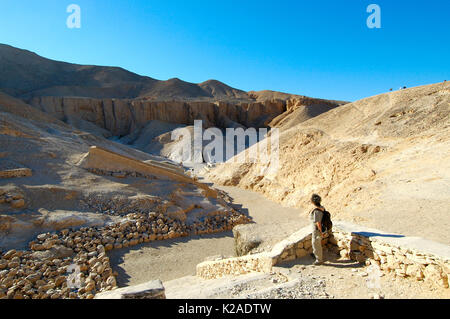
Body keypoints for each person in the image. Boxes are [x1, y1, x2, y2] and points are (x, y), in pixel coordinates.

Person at [310, 194, 326, 265]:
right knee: (316, 243)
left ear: (313, 202)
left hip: (317, 230)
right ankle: (316, 254)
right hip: (319, 229)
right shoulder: (322, 208)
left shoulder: (317, 211)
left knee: (316, 243)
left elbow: (318, 223)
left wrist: (321, 231)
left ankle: (319, 260)